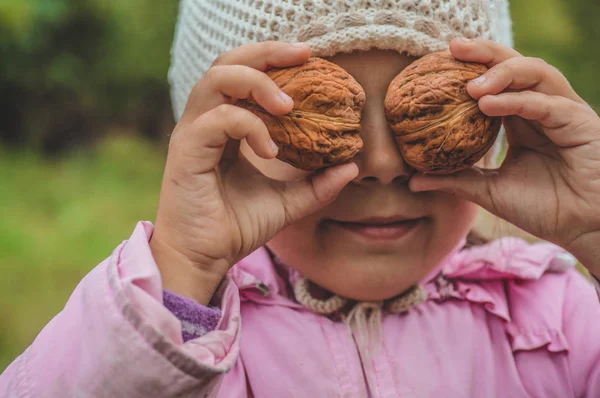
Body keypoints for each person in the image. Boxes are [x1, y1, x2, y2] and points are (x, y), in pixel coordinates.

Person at [3, 0, 600, 396]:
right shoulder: (180, 333)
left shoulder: (556, 322)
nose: (382, 167)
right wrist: (182, 273)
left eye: (425, 119)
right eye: (323, 123)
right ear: (222, 141)